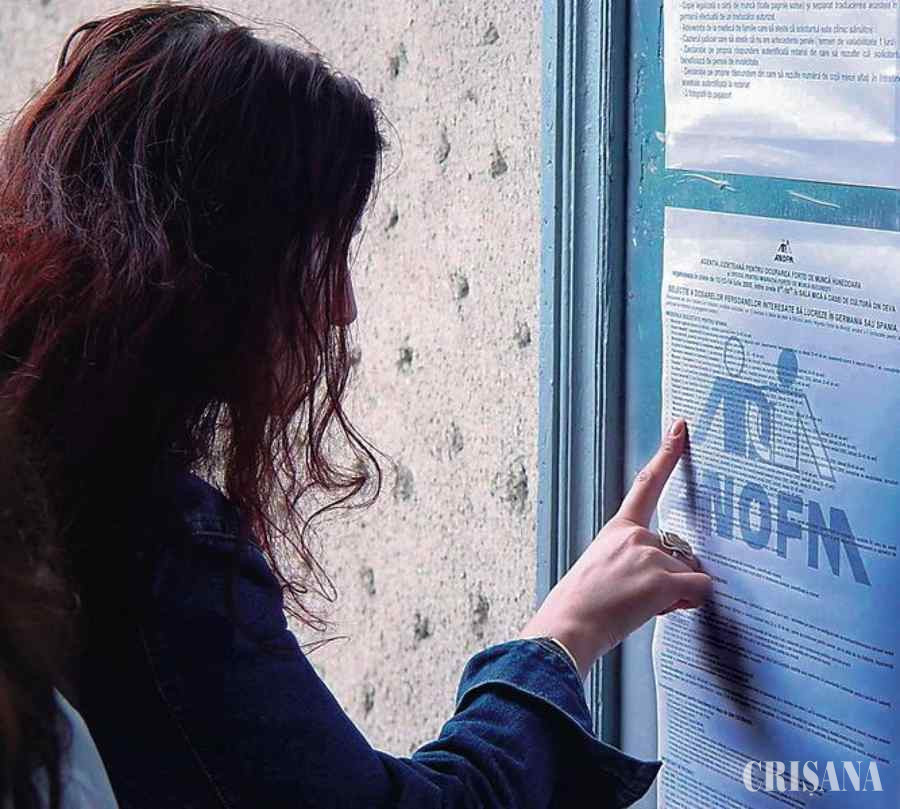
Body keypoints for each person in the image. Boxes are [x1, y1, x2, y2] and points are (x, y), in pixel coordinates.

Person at [0, 5, 713, 808]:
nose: (340, 306)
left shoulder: (48, 484)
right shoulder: (153, 555)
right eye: (314, 256)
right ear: (207, 269)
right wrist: (563, 635)